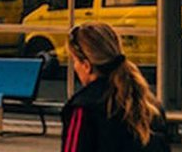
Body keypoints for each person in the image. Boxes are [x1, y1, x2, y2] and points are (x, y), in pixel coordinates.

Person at [62, 22, 168, 152]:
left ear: (86, 65)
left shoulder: (84, 108)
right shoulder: (150, 106)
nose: (75, 67)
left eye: (75, 61)